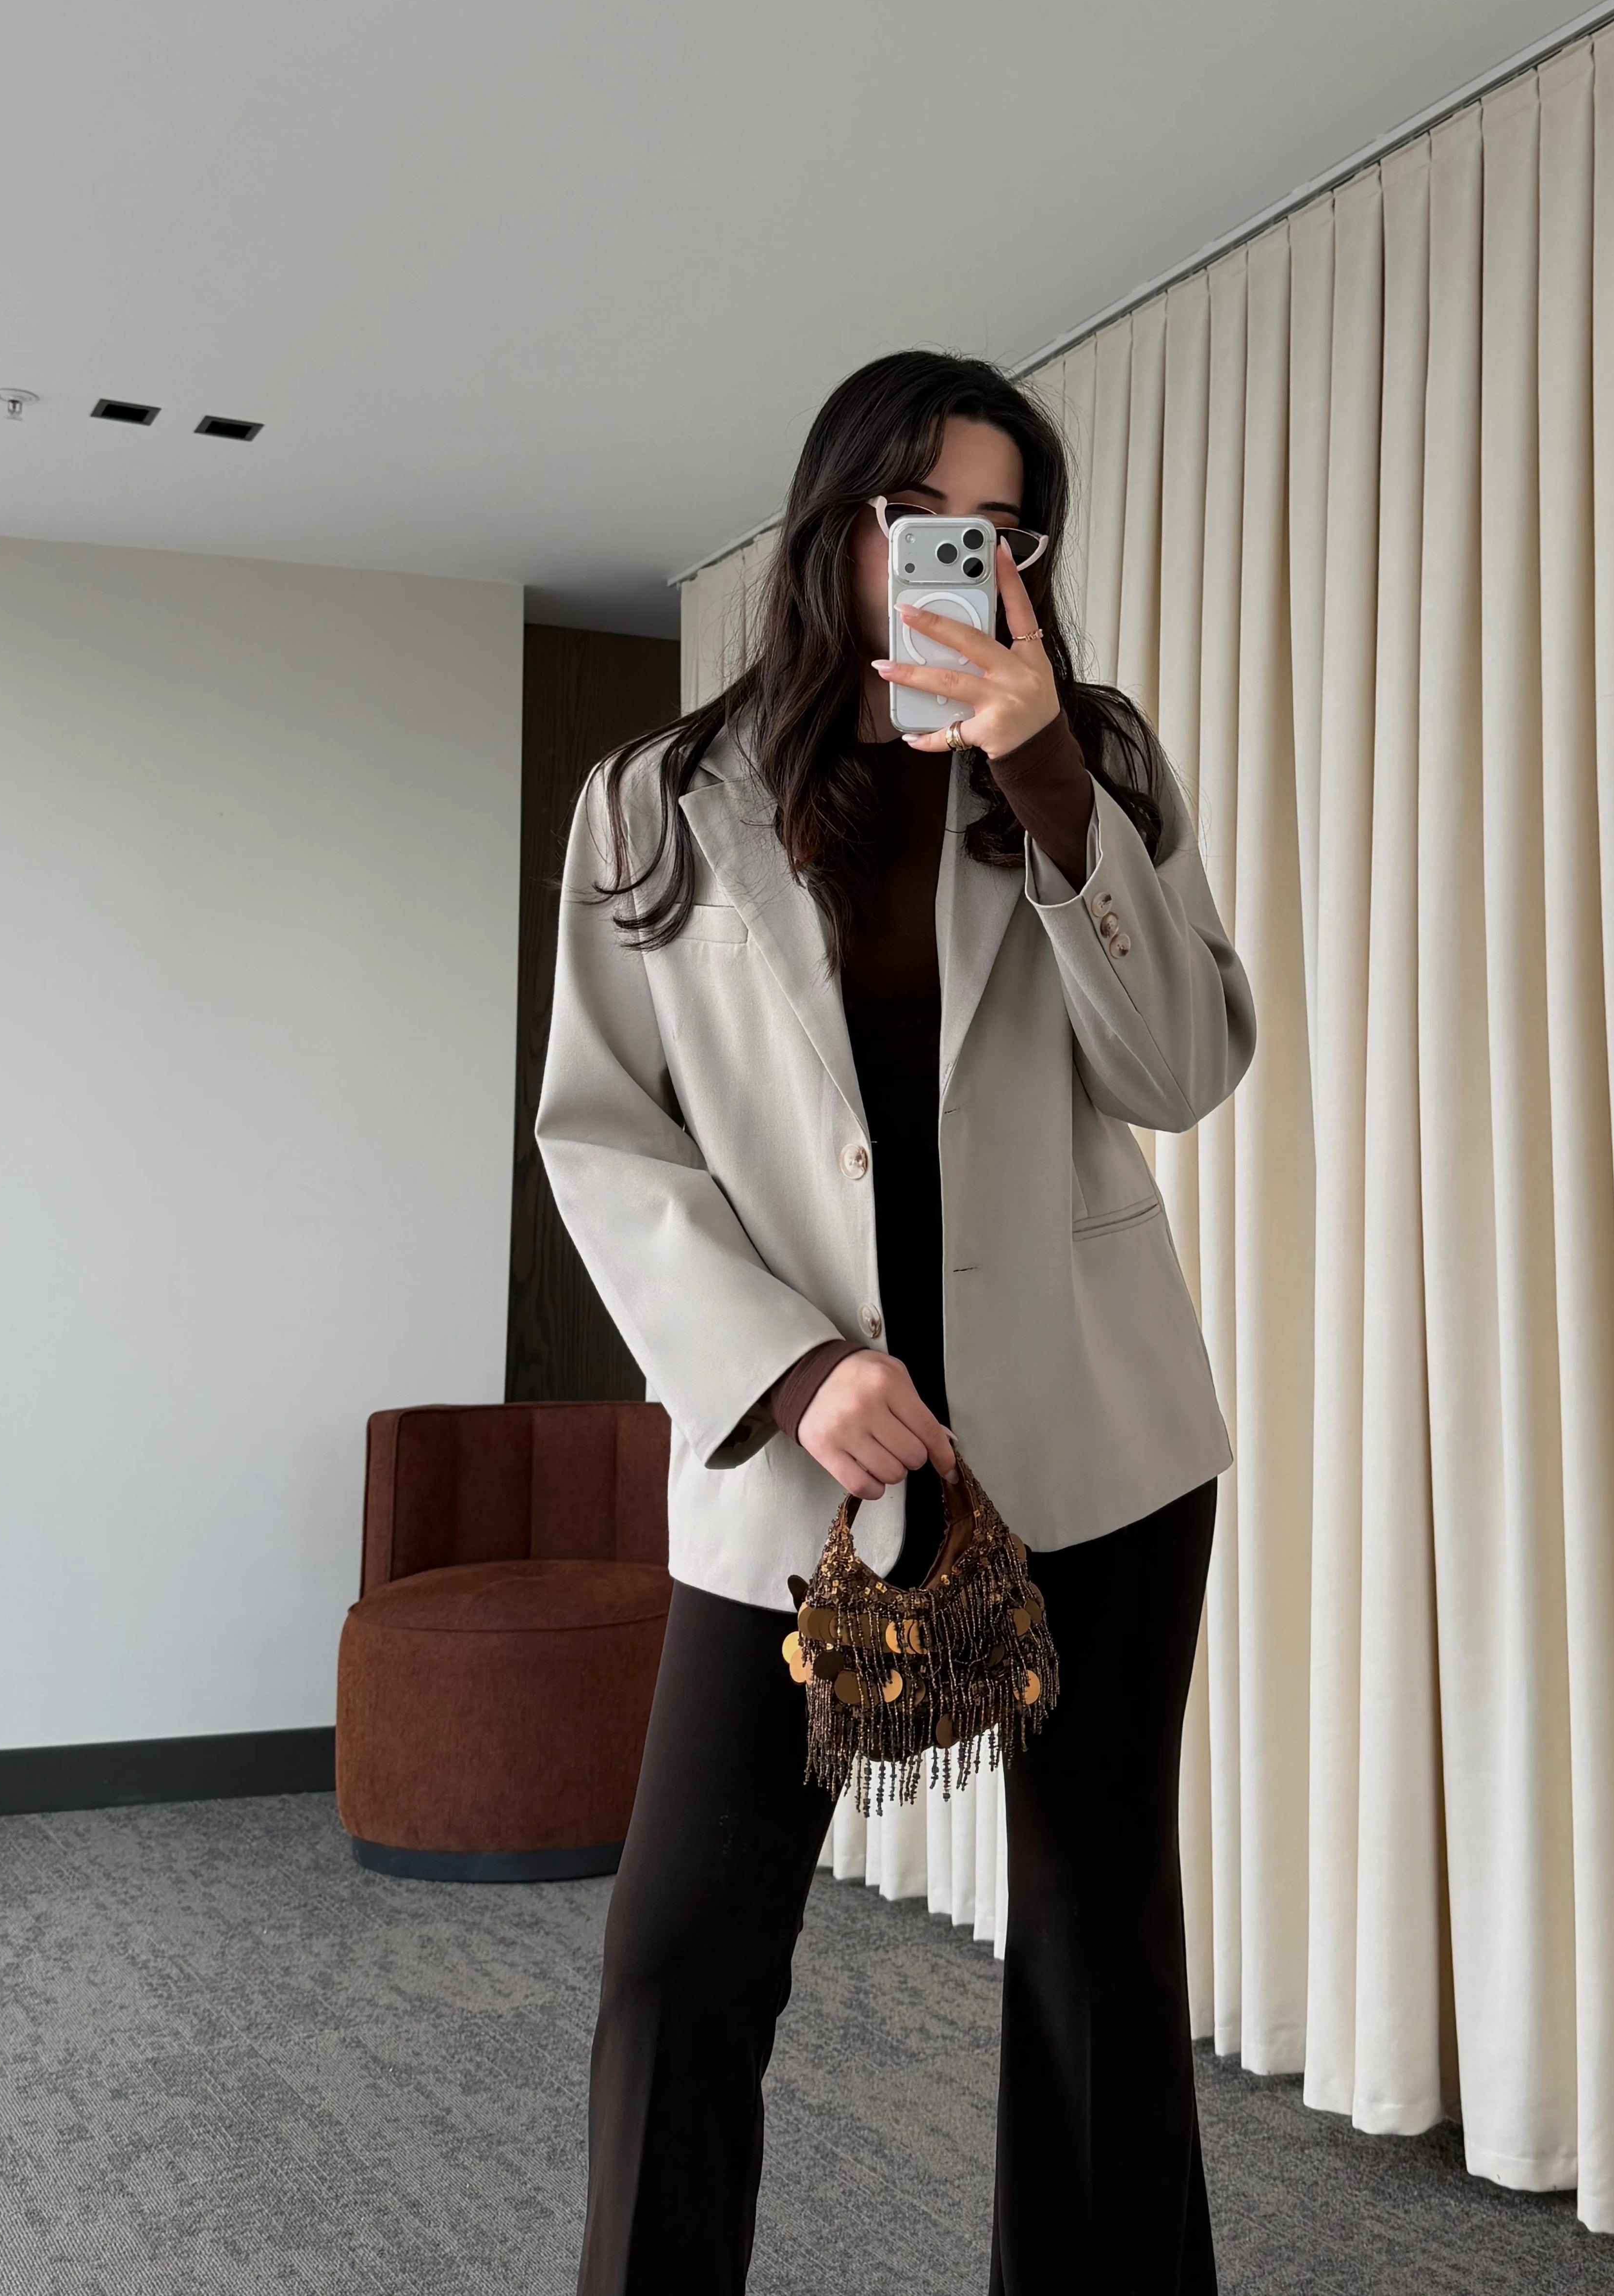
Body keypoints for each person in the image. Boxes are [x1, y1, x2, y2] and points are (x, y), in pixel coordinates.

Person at [536, 349, 1255, 2296]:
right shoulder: (653, 801)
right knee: (682, 1957)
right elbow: (604, 1139)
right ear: (835, 524)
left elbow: (1182, 1068)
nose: (968, 556)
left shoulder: (1089, 759)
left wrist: (1045, 775)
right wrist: (790, 1367)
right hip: (799, 1465)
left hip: (1093, 1440)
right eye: (926, 518)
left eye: (1004, 530)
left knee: (1097, 1947)